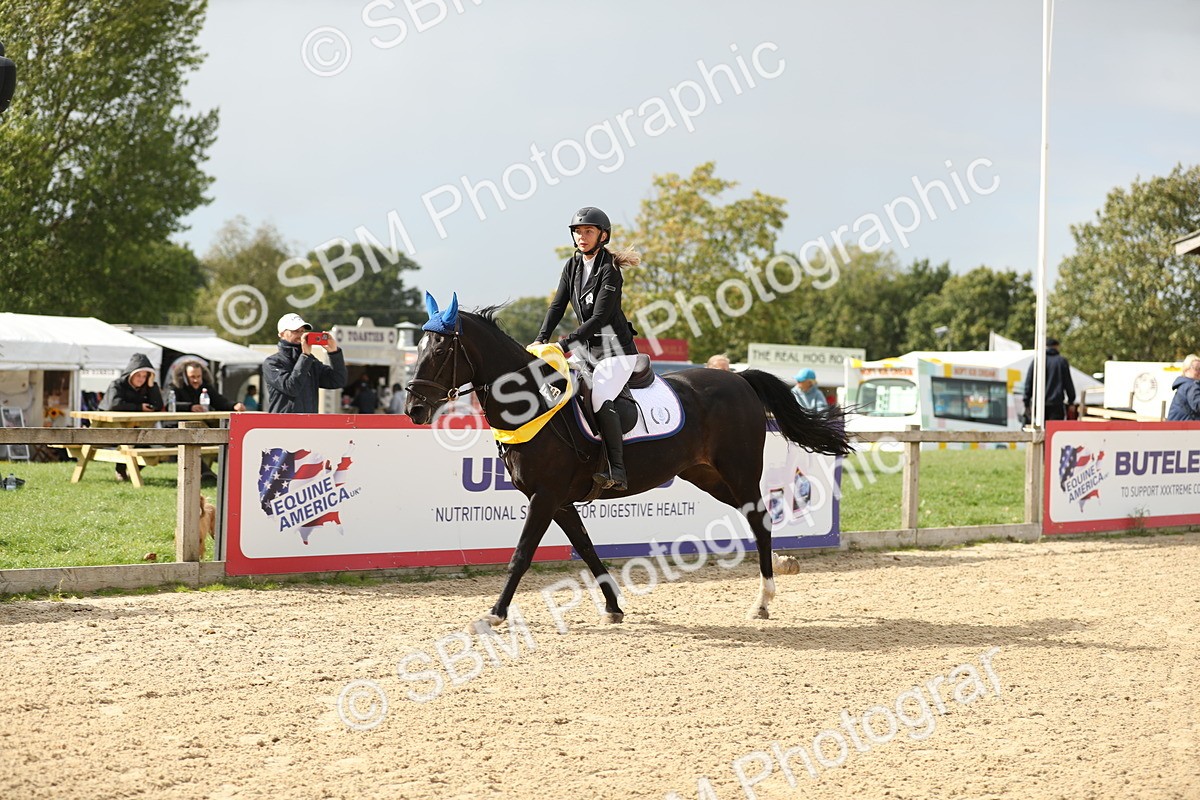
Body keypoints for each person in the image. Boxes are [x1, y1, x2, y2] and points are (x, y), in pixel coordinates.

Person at [533, 206, 641, 491]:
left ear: (602, 236)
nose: (582, 237)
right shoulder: (572, 265)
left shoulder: (610, 270)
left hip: (616, 351)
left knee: (600, 396)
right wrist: (541, 339)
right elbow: (557, 305)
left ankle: (617, 469)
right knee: (553, 386)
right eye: (578, 232)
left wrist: (564, 344)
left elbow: (600, 318)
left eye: (588, 231)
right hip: (587, 351)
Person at [263, 313, 347, 413]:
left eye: (302, 331)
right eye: (295, 331)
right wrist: (305, 356)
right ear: (281, 334)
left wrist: (334, 352)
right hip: (283, 425)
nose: (300, 335)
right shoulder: (272, 362)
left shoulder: (310, 361)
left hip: (308, 425)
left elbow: (338, 380)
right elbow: (291, 388)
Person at [100, 353, 163, 481]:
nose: (141, 379)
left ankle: (130, 470)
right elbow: (114, 404)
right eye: (138, 375)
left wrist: (151, 386)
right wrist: (139, 407)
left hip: (134, 429)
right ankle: (122, 469)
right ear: (131, 374)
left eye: (145, 376)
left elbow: (158, 405)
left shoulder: (147, 387)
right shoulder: (117, 384)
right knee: (132, 440)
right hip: (110, 427)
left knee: (147, 445)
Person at [1022, 337, 1076, 423]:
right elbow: (1068, 382)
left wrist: (1026, 402)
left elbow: (1029, 382)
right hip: (1056, 404)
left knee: (1041, 431)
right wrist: (1071, 401)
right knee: (1055, 431)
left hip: (1039, 404)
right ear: (1056, 346)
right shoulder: (1061, 361)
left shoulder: (1037, 361)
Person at [170, 360, 246, 413]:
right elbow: (169, 405)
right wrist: (190, 407)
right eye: (192, 377)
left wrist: (234, 405)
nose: (196, 380)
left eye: (198, 376)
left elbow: (220, 402)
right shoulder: (176, 387)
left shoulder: (206, 387)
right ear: (185, 377)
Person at [1167, 354, 1200, 421]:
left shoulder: (1183, 385)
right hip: (1184, 429)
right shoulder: (1191, 385)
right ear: (1186, 369)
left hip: (1175, 428)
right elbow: (1198, 405)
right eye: (1197, 368)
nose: (1199, 371)